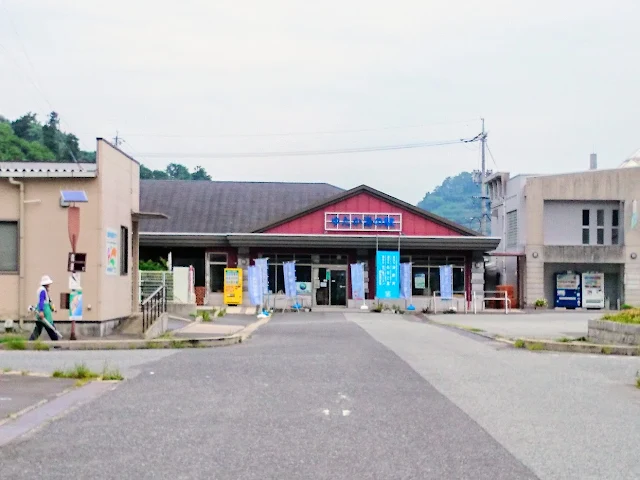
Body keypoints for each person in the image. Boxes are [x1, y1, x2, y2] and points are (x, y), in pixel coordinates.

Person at [29, 275, 61, 341]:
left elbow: (48, 301)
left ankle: (31, 342)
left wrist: (53, 308)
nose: (49, 285)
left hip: (43, 310)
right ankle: (56, 343)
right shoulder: (42, 290)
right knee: (51, 328)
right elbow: (42, 301)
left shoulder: (43, 290)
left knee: (38, 329)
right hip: (44, 312)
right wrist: (41, 311)